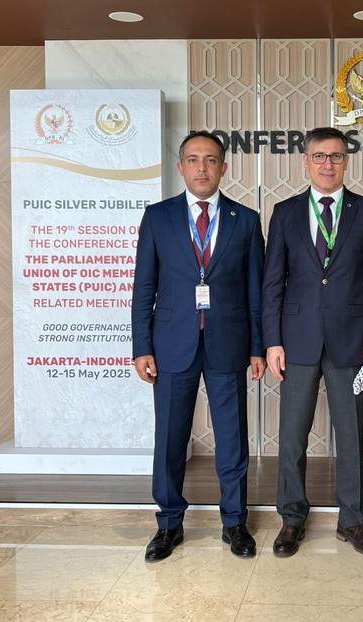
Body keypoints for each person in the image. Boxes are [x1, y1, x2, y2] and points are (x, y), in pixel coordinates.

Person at [132, 131, 266, 562]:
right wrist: (141, 346)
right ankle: (169, 523)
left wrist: (258, 346)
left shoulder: (247, 219)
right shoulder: (158, 217)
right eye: (193, 159)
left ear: (224, 168)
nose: (202, 168)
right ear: (181, 167)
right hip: (171, 344)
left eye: (210, 160)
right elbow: (144, 287)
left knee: (232, 438)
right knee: (170, 438)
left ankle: (235, 522)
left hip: (229, 342)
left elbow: (256, 291)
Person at [262, 127, 363, 557]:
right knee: (292, 436)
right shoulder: (284, 212)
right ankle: (291, 519)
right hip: (295, 341)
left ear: (346, 161)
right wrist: (272, 341)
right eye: (319, 156)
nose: (327, 164)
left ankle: (352, 520)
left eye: (335, 156)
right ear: (305, 161)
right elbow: (272, 282)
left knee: (350, 436)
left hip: (351, 342)